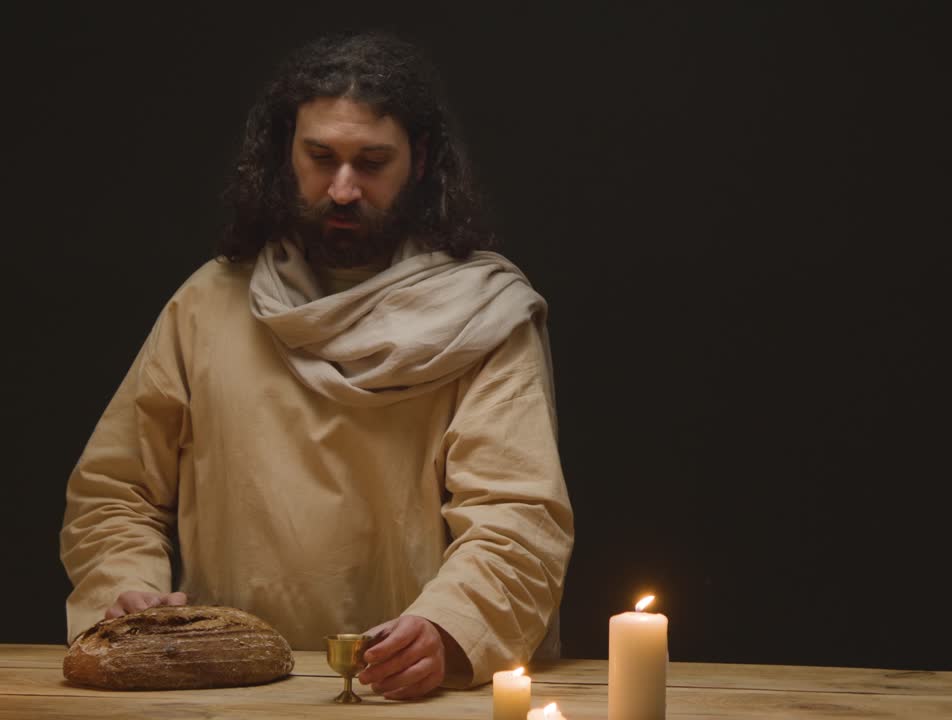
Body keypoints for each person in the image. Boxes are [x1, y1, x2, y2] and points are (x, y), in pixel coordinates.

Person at [59, 30, 573, 701]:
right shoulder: (207, 305)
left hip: (407, 698)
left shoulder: (483, 316)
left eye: (371, 162)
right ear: (284, 156)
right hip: (225, 698)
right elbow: (113, 493)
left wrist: (448, 628)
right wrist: (127, 588)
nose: (341, 188)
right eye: (320, 157)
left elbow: (518, 516)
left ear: (419, 162)